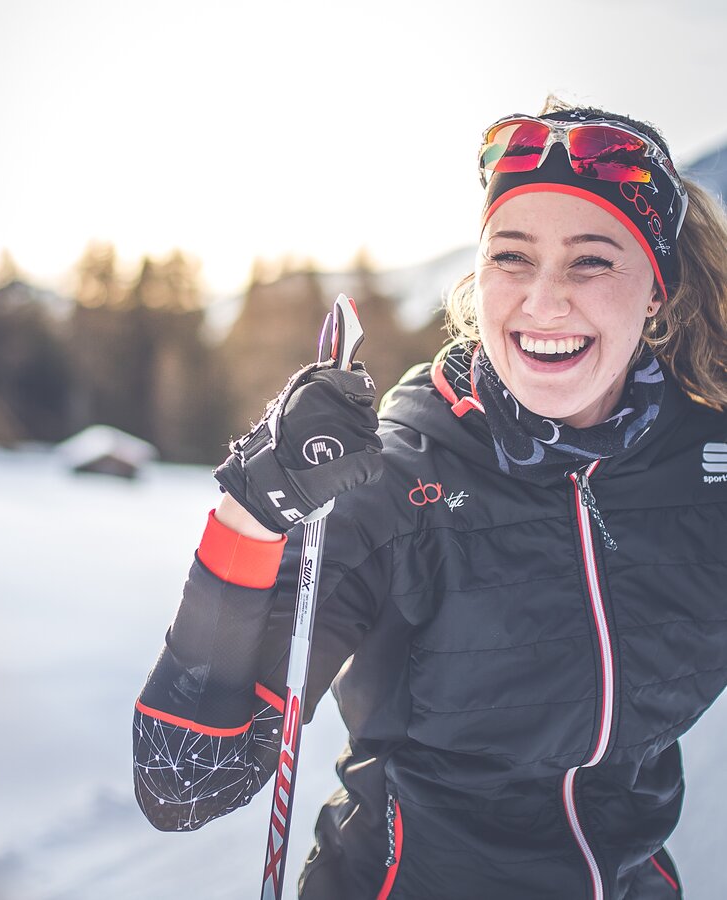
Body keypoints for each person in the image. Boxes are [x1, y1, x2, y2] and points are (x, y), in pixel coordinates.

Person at [133, 97, 727, 899]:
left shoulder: (704, 464)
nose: (543, 301)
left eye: (592, 261)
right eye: (511, 257)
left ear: (656, 291)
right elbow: (183, 782)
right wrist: (252, 507)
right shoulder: (401, 479)